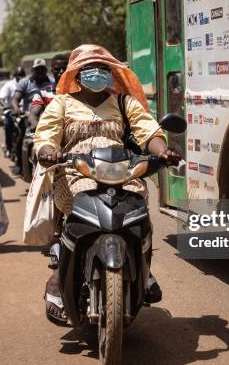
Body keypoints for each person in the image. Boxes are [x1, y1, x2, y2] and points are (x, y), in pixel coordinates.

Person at [33, 44, 181, 324]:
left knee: (138, 202)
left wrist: (162, 151)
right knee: (76, 211)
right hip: (76, 172)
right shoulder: (62, 104)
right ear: (76, 75)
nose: (97, 74)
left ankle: (144, 268)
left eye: (103, 69)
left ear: (111, 74)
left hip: (122, 172)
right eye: (90, 69)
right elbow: (46, 136)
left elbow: (148, 130)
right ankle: (58, 278)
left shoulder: (124, 102)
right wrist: (47, 151)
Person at [11, 58, 54, 175]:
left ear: (45, 70)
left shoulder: (52, 83)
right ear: (33, 70)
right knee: (22, 137)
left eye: (42, 69)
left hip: (47, 117)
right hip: (27, 116)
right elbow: (15, 98)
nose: (39, 72)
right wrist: (16, 109)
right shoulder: (25, 82)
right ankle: (20, 164)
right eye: (37, 69)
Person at [28, 54, 68, 130]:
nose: (61, 72)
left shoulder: (78, 91)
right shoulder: (43, 93)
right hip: (51, 134)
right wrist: (36, 126)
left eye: (64, 69)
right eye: (57, 69)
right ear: (52, 71)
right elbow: (33, 114)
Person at [0, 67, 26, 158]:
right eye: (18, 75)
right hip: (12, 111)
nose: (20, 77)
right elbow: (1, 98)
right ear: (15, 76)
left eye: (22, 75)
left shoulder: (28, 83)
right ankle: (9, 148)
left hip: (25, 111)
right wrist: (6, 105)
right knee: (8, 123)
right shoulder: (9, 85)